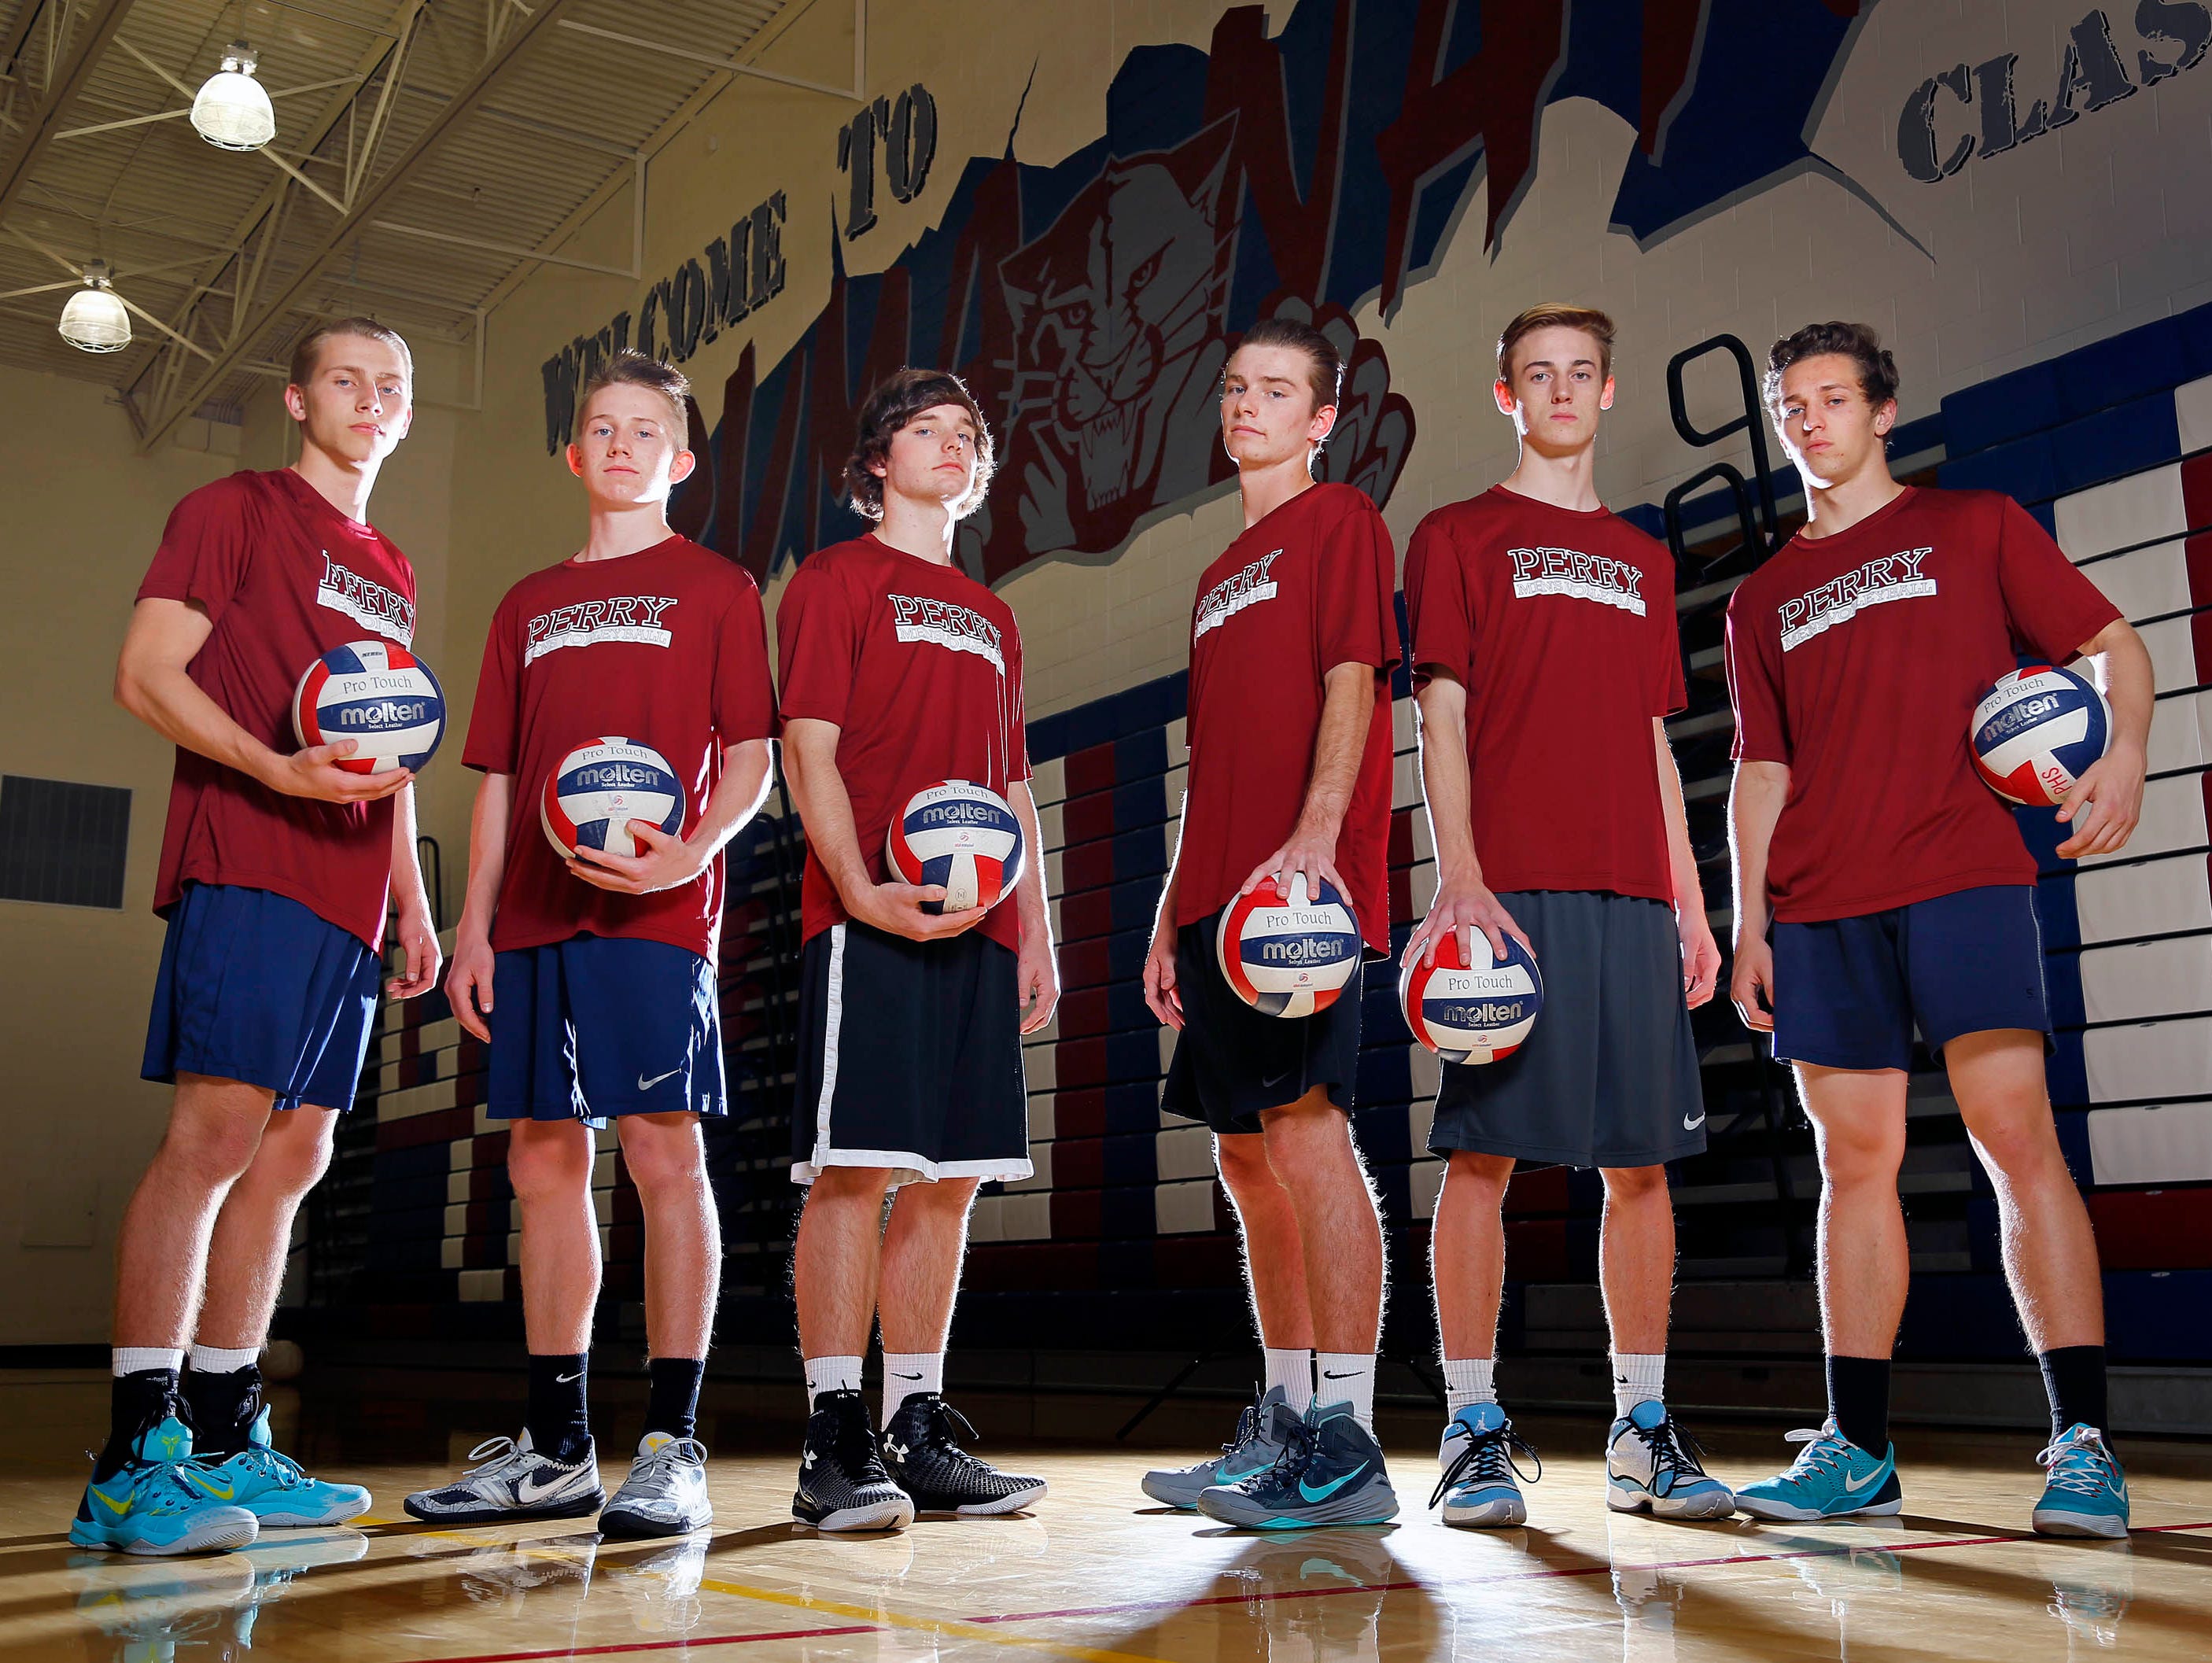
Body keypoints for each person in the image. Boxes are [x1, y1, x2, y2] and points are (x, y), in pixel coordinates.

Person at [1726, 321, 2151, 1537]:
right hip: (1822, 903)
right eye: (1790, 406)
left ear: (1882, 411)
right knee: (1852, 1167)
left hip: (1962, 875)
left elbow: (2116, 647)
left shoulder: (1973, 525)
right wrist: (1750, 918)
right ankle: (1855, 1447)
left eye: (1831, 400)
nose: (1809, 422)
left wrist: (2122, 752)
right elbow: (1760, 771)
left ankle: (2083, 1444)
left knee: (2017, 1141)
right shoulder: (1759, 599)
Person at [404, 352, 776, 1536]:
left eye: (646, 429)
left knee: (666, 1159)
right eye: (602, 429)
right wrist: (473, 927)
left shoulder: (720, 587)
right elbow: (503, 782)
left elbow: (756, 761)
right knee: (540, 1163)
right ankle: (559, 1444)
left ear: (682, 458)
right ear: (575, 455)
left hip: (658, 916)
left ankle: (672, 1440)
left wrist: (691, 853)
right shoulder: (525, 602)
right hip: (531, 924)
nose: (621, 445)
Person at [82, 319, 438, 1554]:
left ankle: (233, 1430)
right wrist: (273, 771)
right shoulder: (233, 506)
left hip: (349, 894)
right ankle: (134, 1455)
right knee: (217, 1133)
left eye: (391, 385)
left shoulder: (390, 562)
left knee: (295, 1154)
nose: (371, 398)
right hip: (247, 856)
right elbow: (147, 673)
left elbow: (392, 749)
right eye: (347, 377)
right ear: (300, 398)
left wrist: (412, 897)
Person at [1403, 303, 1734, 1528]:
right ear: (1507, 395)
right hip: (1513, 889)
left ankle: (1642, 1429)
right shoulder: (1456, 534)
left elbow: (1653, 742)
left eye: (1579, 373)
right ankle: (1473, 1424)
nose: (1558, 390)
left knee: (1642, 1166)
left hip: (1633, 896)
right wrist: (1463, 877)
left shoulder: (1646, 558)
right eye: (1535, 373)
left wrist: (1692, 905)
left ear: (1606, 392)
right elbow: (1438, 716)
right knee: (1483, 1157)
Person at [778, 368, 1056, 1532]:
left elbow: (1009, 783)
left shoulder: (993, 616)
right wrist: (860, 890)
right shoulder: (835, 581)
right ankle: (832, 1437)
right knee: (853, 1173)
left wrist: (1037, 924)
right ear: (879, 460)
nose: (951, 446)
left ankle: (916, 1424)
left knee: (949, 1183)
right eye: (924, 430)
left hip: (982, 925)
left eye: (967, 434)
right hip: (869, 914)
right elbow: (809, 747)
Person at [1139, 316, 1401, 1528]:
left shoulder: (1340, 521)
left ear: (1320, 419)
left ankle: (1347, 1439)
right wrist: (1166, 908)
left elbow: (1355, 678)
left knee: (1308, 1138)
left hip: (1296, 901)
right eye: (1236, 386)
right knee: (1244, 1159)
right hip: (1213, 900)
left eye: (1276, 391)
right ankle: (1287, 1421)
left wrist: (1315, 838)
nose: (1246, 405)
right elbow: (1210, 758)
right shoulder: (1209, 577)